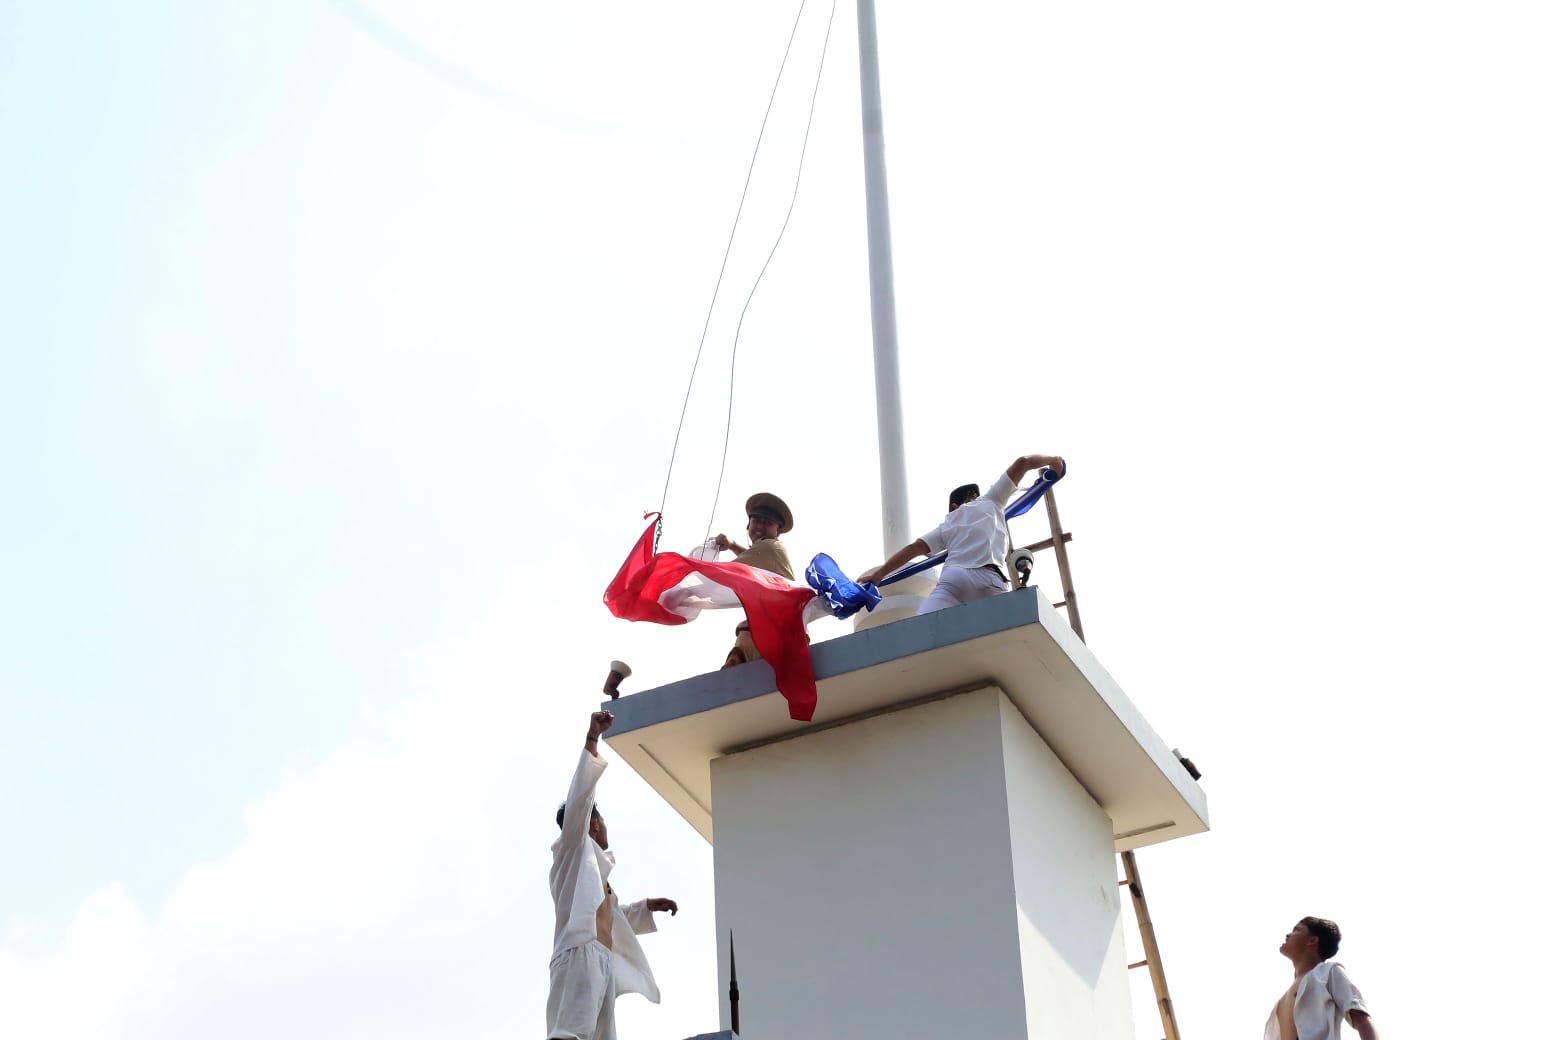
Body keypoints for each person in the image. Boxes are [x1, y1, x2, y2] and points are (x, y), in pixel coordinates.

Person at [548, 710, 679, 1040]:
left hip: (602, 959)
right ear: (593, 823)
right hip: (580, 954)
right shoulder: (572, 850)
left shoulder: (596, 871)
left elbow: (613, 918)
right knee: (571, 1034)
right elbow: (581, 798)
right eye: (601, 820)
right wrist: (593, 740)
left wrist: (647, 906)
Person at [856, 454, 1064, 616]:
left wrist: (878, 576)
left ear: (953, 507)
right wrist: (1055, 461)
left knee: (921, 629)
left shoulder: (947, 524)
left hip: (955, 579)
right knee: (1009, 634)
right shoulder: (991, 501)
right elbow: (1024, 462)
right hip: (991, 579)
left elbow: (913, 550)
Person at [713, 492, 795, 668]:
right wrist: (732, 545)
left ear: (778, 530)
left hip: (771, 633)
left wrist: (689, 575)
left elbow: (729, 572)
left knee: (732, 682)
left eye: (768, 523)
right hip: (779, 630)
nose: (760, 526)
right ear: (748, 524)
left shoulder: (768, 547)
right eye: (756, 521)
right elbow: (752, 564)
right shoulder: (769, 550)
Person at [1265, 916, 1378, 1040]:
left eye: (1296, 930)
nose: (1288, 935)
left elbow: (1361, 1018)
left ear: (1312, 941)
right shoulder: (1282, 1000)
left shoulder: (1328, 973)